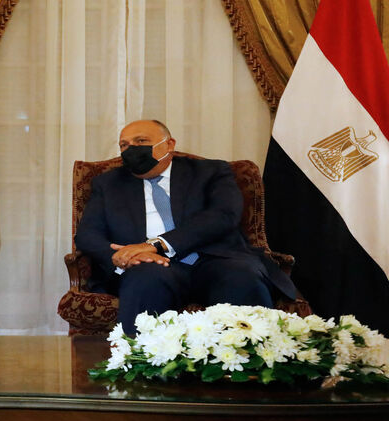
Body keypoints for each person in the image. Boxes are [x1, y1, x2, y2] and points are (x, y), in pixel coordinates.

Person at [75, 120, 297, 334]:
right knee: (144, 281)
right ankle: (141, 363)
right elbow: (88, 234)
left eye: (141, 141)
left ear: (169, 144)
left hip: (215, 259)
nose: (131, 149)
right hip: (150, 267)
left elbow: (223, 216)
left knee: (241, 277)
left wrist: (157, 245)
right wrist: (120, 256)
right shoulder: (108, 183)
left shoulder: (210, 172)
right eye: (124, 145)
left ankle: (250, 363)